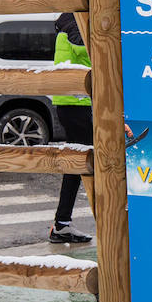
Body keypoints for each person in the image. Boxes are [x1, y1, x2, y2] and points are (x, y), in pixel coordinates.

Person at [48, 13, 94, 244]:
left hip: (71, 102)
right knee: (88, 161)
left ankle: (62, 223)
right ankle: (62, 222)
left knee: (79, 162)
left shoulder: (67, 21)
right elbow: (84, 48)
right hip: (78, 102)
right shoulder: (76, 22)